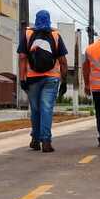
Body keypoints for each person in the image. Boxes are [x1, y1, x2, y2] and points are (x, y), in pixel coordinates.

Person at [18, 9, 68, 153]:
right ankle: (46, 141)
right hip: (51, 78)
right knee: (46, 109)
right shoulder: (55, 35)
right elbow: (63, 61)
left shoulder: (28, 34)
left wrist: (22, 79)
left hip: (32, 78)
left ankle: (35, 139)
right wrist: (64, 80)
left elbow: (22, 57)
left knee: (35, 110)